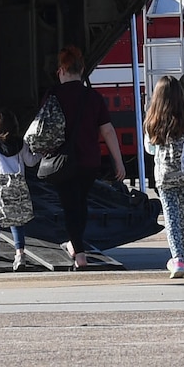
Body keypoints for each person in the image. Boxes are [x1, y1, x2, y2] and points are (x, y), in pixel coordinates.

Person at [43, 47, 126, 269]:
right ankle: (75, 244)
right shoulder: (93, 97)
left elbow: (42, 128)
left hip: (62, 161)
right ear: (82, 70)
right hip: (89, 161)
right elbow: (107, 131)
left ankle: (79, 253)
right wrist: (118, 161)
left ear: (61, 70)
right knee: (80, 204)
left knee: (70, 206)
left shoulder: (53, 95)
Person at [144, 75, 184, 279]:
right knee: (183, 217)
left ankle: (177, 259)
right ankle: (180, 255)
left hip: (164, 177)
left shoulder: (152, 121)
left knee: (171, 217)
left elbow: (150, 149)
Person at [0, 108, 37, 272]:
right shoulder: (21, 143)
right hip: (18, 185)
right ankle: (19, 254)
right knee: (17, 220)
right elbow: (31, 162)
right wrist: (42, 154)